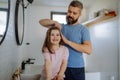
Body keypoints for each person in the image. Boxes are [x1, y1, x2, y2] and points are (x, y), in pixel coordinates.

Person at [39, 1, 92, 80]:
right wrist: (54, 22)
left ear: (79, 15)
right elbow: (41, 22)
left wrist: (67, 42)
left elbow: (88, 50)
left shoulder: (83, 30)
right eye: (69, 11)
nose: (71, 15)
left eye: (74, 13)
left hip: (76, 68)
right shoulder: (61, 27)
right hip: (60, 68)